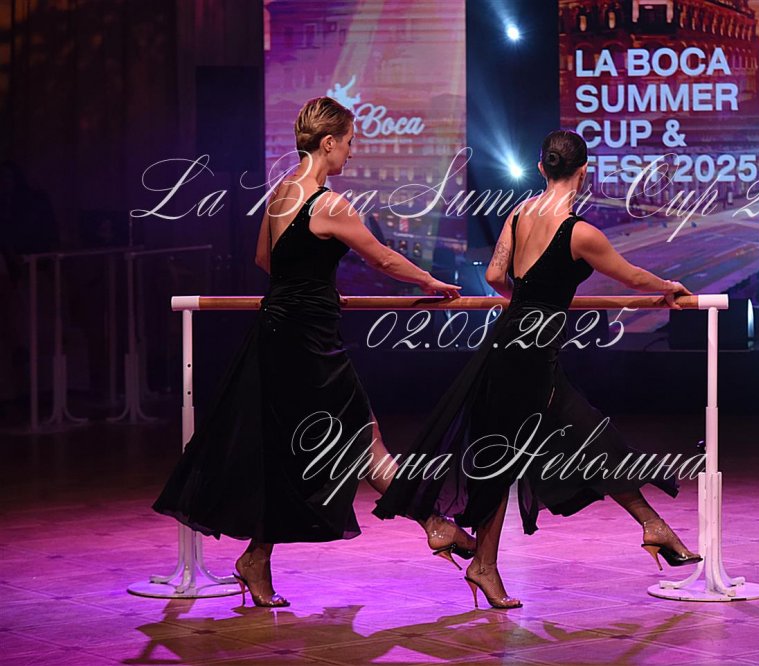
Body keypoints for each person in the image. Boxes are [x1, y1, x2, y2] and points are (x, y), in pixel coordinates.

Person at [153, 97, 475, 607]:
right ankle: (432, 523)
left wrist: (311, 284)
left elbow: (265, 259)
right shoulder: (328, 204)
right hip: (310, 344)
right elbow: (383, 258)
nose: (351, 151)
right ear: (328, 143)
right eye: (348, 142)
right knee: (362, 441)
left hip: (277, 334)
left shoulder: (281, 194)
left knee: (296, 449)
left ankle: (258, 558)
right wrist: (431, 282)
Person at [374, 130, 700, 610]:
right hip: (530, 357)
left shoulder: (519, 213)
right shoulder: (579, 232)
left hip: (510, 343)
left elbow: (494, 276)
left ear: (542, 168)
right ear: (584, 172)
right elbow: (630, 276)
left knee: (554, 444)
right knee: (565, 443)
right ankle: (644, 528)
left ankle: (649, 527)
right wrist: (669, 286)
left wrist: (528, 303)